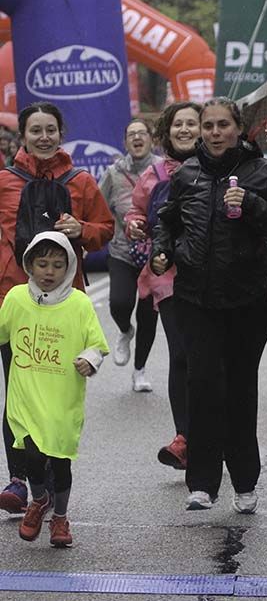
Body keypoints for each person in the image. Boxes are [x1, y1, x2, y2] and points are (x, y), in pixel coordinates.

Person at [150, 97, 267, 512]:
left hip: (246, 301)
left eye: (223, 125)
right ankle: (201, 482)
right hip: (196, 298)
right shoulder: (188, 175)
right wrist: (163, 251)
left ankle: (245, 482)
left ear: (239, 129)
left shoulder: (262, 172)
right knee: (201, 387)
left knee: (237, 389)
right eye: (209, 126)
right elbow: (166, 219)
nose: (215, 133)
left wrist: (251, 206)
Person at [0, 102, 113, 515]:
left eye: (51, 130)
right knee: (17, 394)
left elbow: (105, 229)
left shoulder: (80, 181)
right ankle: (20, 480)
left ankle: (49, 475)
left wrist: (82, 230)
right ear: (23, 136)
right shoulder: (5, 181)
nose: (44, 137)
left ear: (61, 134)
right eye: (36, 130)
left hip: (66, 308)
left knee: (57, 398)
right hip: (14, 301)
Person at [0, 232, 108, 547]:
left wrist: (89, 360)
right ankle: (39, 499)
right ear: (29, 265)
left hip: (62, 399)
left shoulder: (79, 304)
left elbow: (97, 344)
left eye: (58, 265)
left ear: (70, 267)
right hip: (26, 398)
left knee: (60, 463)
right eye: (42, 264)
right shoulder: (17, 298)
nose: (50, 272)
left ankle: (59, 516)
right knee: (32, 456)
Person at [125, 101, 201, 470]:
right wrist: (134, 224)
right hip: (167, 276)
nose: (185, 130)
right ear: (167, 132)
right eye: (178, 125)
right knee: (181, 355)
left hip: (212, 278)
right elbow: (137, 210)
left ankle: (213, 434)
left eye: (192, 124)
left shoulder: (217, 172)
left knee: (210, 360)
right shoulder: (154, 173)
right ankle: (184, 437)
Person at [99, 118, 161, 392]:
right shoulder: (113, 173)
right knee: (119, 303)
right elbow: (99, 207)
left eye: (142, 134)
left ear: (151, 139)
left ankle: (139, 370)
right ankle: (125, 330)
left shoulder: (162, 169)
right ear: (125, 142)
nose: (137, 138)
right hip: (122, 250)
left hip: (155, 254)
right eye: (131, 135)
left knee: (148, 313)